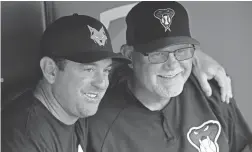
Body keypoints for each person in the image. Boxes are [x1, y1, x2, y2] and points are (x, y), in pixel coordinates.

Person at [87, 1, 252, 152]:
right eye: (158, 54)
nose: (172, 65)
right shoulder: (100, 126)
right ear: (129, 55)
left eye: (182, 51)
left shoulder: (209, 91)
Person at [2, 14, 131, 152]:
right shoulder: (22, 138)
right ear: (50, 70)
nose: (102, 83)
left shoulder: (73, 110)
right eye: (89, 69)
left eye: (106, 70)